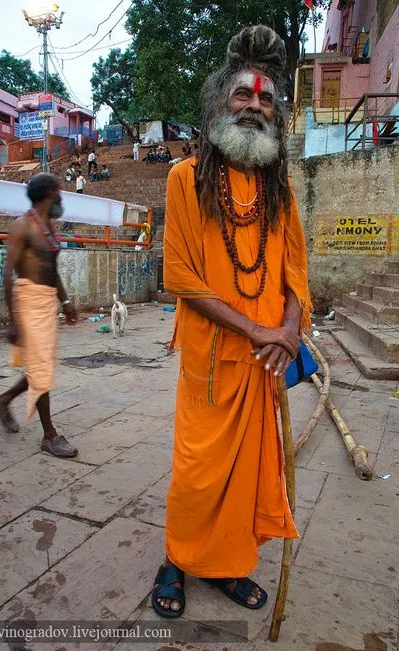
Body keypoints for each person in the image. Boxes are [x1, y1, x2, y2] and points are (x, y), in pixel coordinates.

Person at [151, 25, 312, 618]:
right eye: (244, 94)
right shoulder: (185, 180)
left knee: (245, 476)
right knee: (196, 473)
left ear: (277, 113)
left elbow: (296, 277)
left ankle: (225, 566)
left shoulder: (281, 191)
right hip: (212, 361)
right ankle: (176, 559)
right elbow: (183, 280)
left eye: (266, 99)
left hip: (265, 361)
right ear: (222, 100)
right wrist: (259, 329)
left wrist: (288, 329)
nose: (254, 106)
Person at [0, 174, 78, 458]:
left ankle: (2, 400)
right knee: (41, 368)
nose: (62, 197)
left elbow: (52, 268)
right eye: (59, 192)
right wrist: (12, 320)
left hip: (47, 303)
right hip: (28, 303)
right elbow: (7, 273)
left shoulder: (48, 228)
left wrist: (65, 301)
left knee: (42, 366)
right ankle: (49, 435)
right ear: (49, 193)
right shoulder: (22, 226)